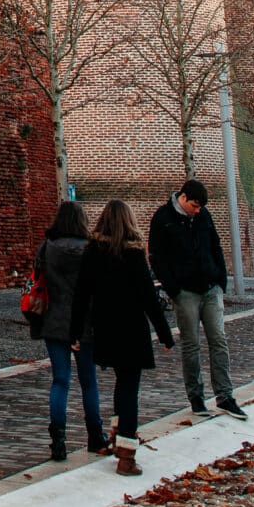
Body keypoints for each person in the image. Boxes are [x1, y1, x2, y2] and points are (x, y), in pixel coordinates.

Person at [70, 198, 174, 477]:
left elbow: (81, 295)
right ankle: (126, 455)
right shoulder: (134, 254)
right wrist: (165, 334)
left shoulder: (93, 252)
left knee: (121, 384)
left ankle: (117, 436)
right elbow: (149, 298)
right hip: (131, 330)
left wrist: (75, 332)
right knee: (129, 389)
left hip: (106, 328)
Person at [149, 178, 247, 420]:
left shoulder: (204, 216)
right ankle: (196, 397)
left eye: (201, 206)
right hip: (185, 292)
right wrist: (174, 289)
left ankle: (225, 395)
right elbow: (157, 256)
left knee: (219, 340)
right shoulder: (163, 218)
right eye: (194, 205)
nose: (198, 210)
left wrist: (220, 280)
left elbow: (215, 246)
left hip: (210, 287)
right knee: (191, 345)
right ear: (183, 198)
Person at [35, 199, 108, 460]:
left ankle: (58, 442)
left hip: (54, 321)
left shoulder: (47, 247)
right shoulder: (90, 249)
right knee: (89, 382)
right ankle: (95, 436)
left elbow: (37, 278)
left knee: (60, 381)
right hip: (85, 325)